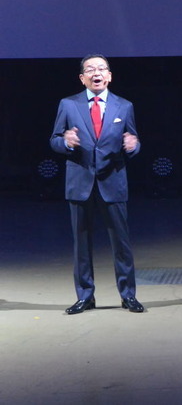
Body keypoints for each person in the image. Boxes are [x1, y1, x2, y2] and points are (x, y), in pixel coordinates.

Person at [50, 54, 144, 314]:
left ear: (109, 76)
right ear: (82, 78)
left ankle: (128, 296)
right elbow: (55, 139)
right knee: (81, 245)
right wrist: (65, 142)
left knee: (121, 244)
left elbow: (133, 139)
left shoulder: (124, 106)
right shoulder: (68, 105)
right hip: (80, 183)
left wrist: (133, 146)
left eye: (101, 68)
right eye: (90, 69)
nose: (96, 73)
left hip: (113, 182)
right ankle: (85, 296)